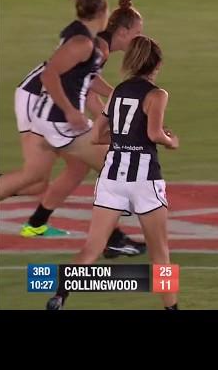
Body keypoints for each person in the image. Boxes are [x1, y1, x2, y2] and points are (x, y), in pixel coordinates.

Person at [0, 0, 146, 257]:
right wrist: (81, 115)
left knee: (54, 175)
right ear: (120, 30)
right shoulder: (92, 45)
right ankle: (110, 238)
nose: (140, 38)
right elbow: (70, 83)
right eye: (137, 33)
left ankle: (38, 222)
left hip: (48, 107)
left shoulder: (92, 40)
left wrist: (112, 100)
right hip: (41, 103)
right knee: (111, 165)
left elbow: (84, 82)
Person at [47, 36, 179, 310]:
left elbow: (96, 136)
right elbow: (154, 133)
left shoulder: (118, 91)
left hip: (112, 178)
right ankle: (172, 309)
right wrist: (169, 140)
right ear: (158, 64)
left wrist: (123, 138)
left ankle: (60, 294)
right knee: (160, 255)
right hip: (144, 179)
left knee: (92, 248)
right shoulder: (157, 94)